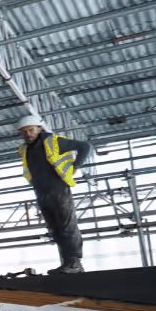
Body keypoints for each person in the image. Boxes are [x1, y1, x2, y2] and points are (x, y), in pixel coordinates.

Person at [16, 114, 93, 274]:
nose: (28, 134)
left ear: (39, 128)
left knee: (67, 226)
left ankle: (74, 263)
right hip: (41, 192)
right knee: (55, 229)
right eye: (24, 132)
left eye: (31, 129)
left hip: (58, 189)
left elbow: (84, 146)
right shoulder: (24, 149)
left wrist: (75, 167)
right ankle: (67, 263)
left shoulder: (53, 141)